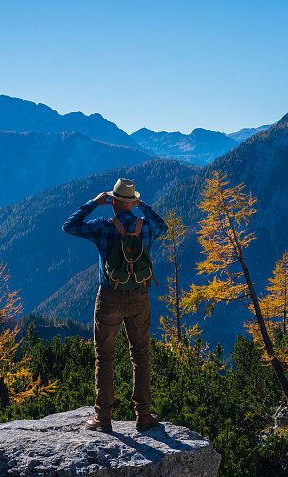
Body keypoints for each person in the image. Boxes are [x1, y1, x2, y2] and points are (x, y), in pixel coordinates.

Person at [62, 178, 168, 432]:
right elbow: (164, 225)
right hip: (140, 297)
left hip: (110, 297)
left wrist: (92, 203)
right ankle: (143, 415)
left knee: (105, 357)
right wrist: (143, 206)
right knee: (140, 355)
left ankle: (103, 417)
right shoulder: (146, 227)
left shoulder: (104, 225)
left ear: (113, 202)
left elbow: (69, 226)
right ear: (132, 202)